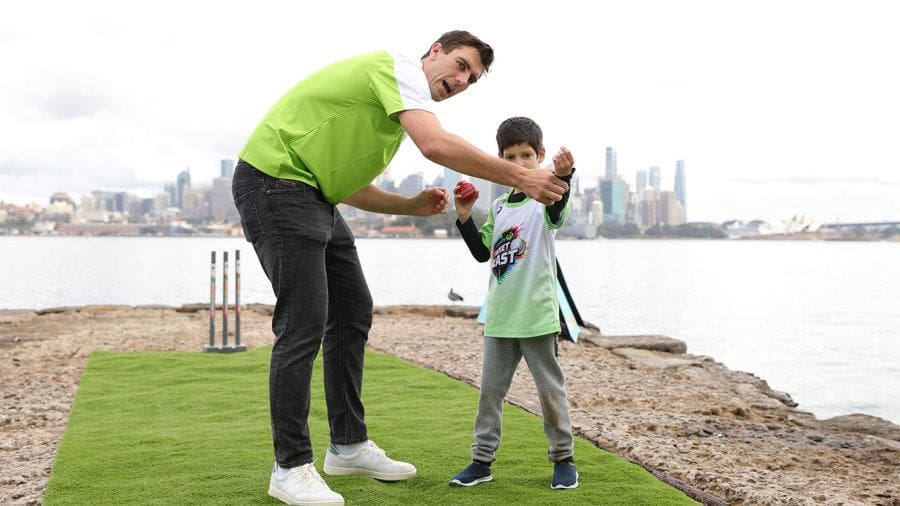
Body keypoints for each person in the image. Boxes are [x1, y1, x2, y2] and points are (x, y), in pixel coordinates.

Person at [231, 31, 570, 506]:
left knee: (352, 312)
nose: (461, 79)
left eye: (470, 78)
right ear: (434, 53)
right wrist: (523, 177)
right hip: (274, 183)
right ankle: (290, 468)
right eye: (459, 64)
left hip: (314, 194)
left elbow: (347, 186)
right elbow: (434, 146)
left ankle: (347, 446)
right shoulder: (396, 70)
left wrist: (409, 207)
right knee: (303, 323)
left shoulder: (392, 115)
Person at [449, 116, 578, 490]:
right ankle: (481, 461)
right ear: (501, 159)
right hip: (501, 319)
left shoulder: (545, 198)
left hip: (537, 316)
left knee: (550, 392)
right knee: (490, 394)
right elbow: (481, 252)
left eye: (527, 156)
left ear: (539, 156)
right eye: (511, 156)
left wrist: (565, 177)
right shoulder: (501, 206)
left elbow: (557, 209)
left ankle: (564, 459)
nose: (520, 163)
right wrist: (462, 215)